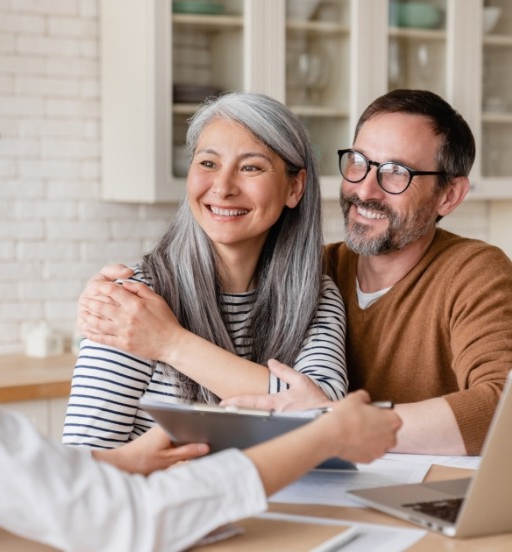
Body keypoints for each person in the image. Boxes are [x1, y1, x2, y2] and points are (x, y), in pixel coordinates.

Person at [0, 43, 401, 552]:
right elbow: (114, 518)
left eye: (250, 167)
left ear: (295, 185)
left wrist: (108, 464)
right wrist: (324, 434)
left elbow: (15, 483)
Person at [79, 89, 512, 457]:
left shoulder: (317, 287)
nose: (364, 189)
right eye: (359, 162)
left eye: (396, 173)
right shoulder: (317, 272)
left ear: (449, 196)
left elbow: (503, 410)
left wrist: (170, 343)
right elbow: (81, 464)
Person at [63, 92, 348, 450]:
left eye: (251, 167)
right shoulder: (134, 303)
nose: (223, 188)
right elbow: (84, 464)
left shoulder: (315, 294)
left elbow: (324, 414)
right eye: (208, 163)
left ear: (295, 187)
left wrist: (170, 343)